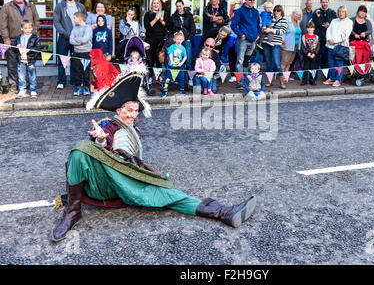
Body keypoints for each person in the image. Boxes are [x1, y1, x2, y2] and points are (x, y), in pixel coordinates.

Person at [50, 72, 256, 243]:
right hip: (106, 181)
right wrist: (101, 141)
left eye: (136, 111)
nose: (133, 114)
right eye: (129, 111)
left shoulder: (135, 131)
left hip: (129, 180)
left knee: (171, 194)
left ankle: (224, 213)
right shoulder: (108, 126)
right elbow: (104, 144)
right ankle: (72, 212)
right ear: (119, 110)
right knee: (81, 149)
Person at [0, 0, 40, 94]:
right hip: (13, 40)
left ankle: (27, 84)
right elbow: (2, 25)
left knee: (28, 62)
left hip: (28, 40)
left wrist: (34, 33)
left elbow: (36, 20)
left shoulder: (31, 6)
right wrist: (6, 39)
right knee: (13, 64)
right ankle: (14, 84)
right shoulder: (6, 7)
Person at [53, 0, 87, 90]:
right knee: (62, 60)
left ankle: (73, 81)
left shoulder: (80, 6)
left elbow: (85, 20)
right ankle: (61, 81)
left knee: (75, 60)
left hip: (77, 38)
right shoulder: (60, 6)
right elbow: (56, 21)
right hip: (64, 38)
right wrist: (63, 32)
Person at [230, 0, 261, 89]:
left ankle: (246, 80)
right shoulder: (240, 11)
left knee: (246, 61)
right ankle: (240, 82)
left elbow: (258, 25)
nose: (252, 1)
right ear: (246, 0)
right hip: (243, 40)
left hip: (253, 40)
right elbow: (233, 25)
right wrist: (241, 35)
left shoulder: (256, 12)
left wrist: (258, 35)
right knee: (240, 61)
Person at [324, 6, 353, 87]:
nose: (341, 13)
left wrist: (335, 41)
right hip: (330, 45)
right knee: (330, 63)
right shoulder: (334, 21)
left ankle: (338, 80)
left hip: (340, 46)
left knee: (339, 63)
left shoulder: (349, 22)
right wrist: (329, 39)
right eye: (339, 11)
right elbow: (328, 30)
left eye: (343, 12)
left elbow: (345, 35)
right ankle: (332, 78)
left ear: (345, 13)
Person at [12, 19, 40, 99]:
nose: (27, 30)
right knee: (21, 76)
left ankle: (33, 91)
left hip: (30, 60)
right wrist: (17, 48)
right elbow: (13, 49)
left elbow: (38, 48)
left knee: (32, 76)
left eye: (29, 28)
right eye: (25, 28)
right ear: (21, 28)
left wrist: (29, 50)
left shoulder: (35, 38)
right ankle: (21, 90)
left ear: (32, 28)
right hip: (21, 60)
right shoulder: (18, 38)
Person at [263, 5, 288, 89]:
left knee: (277, 64)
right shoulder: (270, 19)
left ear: (281, 12)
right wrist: (265, 29)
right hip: (266, 43)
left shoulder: (284, 20)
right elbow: (264, 27)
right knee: (269, 63)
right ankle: (270, 81)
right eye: (275, 10)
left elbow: (282, 31)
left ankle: (282, 82)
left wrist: (271, 30)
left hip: (276, 44)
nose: (276, 12)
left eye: (278, 10)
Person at [312, 0, 337, 69]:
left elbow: (335, 23)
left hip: (328, 39)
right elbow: (314, 23)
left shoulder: (332, 12)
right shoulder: (316, 11)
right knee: (316, 56)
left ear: (328, 2)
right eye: (323, 2)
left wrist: (329, 24)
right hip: (318, 38)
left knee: (327, 58)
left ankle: (326, 75)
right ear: (320, 2)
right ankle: (314, 75)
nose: (325, 4)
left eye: (326, 2)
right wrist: (322, 22)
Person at [70, 11, 92, 96]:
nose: (74, 20)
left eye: (74, 18)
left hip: (86, 53)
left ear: (80, 18)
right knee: (77, 71)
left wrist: (77, 39)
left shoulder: (88, 28)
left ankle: (86, 87)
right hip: (76, 52)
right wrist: (78, 42)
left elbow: (85, 39)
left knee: (86, 71)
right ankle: (78, 87)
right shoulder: (74, 28)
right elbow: (71, 40)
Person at [168, 0, 196, 70]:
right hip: (177, 41)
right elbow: (170, 28)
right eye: (177, 6)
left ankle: (189, 77)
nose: (179, 8)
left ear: (183, 6)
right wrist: (173, 34)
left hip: (187, 39)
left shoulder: (189, 15)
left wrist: (189, 38)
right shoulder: (173, 16)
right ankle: (178, 75)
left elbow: (193, 28)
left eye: (180, 6)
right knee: (176, 59)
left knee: (188, 59)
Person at [144, 0, 169, 68]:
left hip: (160, 40)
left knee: (159, 59)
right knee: (150, 59)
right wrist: (156, 19)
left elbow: (168, 26)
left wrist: (161, 21)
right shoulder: (148, 14)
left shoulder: (163, 13)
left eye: (157, 3)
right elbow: (147, 27)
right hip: (150, 39)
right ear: (152, 5)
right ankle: (150, 76)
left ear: (160, 5)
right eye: (154, 3)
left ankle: (159, 76)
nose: (156, 5)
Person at [161, 32, 187, 97]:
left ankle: (182, 90)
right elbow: (170, 54)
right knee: (168, 79)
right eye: (177, 39)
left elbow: (185, 56)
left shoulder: (183, 48)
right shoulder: (172, 47)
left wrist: (181, 63)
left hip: (179, 66)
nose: (179, 41)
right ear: (174, 39)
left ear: (183, 40)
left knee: (181, 79)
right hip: (171, 66)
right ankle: (165, 91)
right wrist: (172, 61)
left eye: (180, 39)